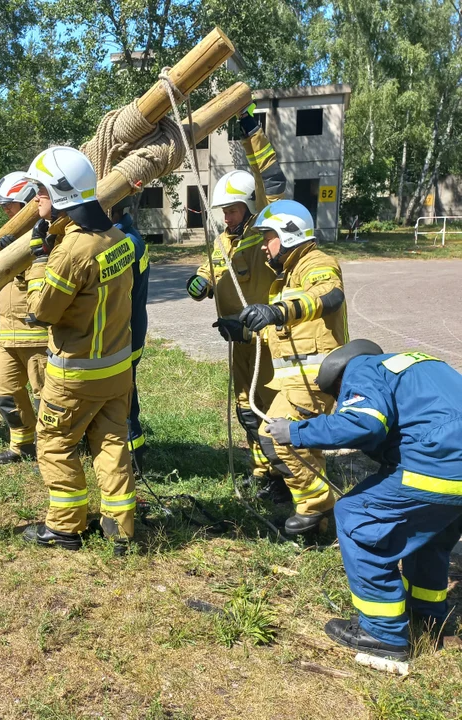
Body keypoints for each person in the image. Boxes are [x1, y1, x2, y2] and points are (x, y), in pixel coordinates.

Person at [266, 340, 462, 660]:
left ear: (339, 380)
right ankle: (427, 617)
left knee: (356, 517)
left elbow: (363, 425)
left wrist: (295, 432)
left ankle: (382, 635)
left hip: (438, 465)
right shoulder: (415, 365)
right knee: (429, 537)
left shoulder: (362, 370)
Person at [22, 146, 136, 556]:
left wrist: (39, 260)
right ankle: (120, 530)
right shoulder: (118, 238)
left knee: (54, 442)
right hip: (116, 370)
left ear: (62, 195)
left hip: (76, 374)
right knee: (110, 444)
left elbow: (41, 313)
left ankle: (66, 527)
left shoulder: (71, 251)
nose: (36, 199)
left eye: (41, 191)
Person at [185, 106, 289, 501]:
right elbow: (213, 268)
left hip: (265, 339)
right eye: (223, 212)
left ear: (250, 205)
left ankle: (284, 477)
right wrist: (200, 281)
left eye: (231, 210)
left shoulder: (264, 226)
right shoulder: (224, 240)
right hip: (237, 339)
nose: (226, 217)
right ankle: (262, 471)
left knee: (269, 406)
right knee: (246, 408)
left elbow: (270, 175)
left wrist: (251, 131)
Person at [240, 199, 348, 534]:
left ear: (288, 233)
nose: (262, 247)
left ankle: (318, 506)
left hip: (314, 377)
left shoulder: (316, 263)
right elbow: (283, 331)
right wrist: (242, 327)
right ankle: (319, 517)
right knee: (294, 441)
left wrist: (278, 311)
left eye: (267, 236)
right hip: (296, 381)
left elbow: (329, 294)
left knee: (279, 438)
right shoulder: (286, 279)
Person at [0, 172, 48, 464]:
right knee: (4, 393)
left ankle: (51, 450)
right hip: (7, 335)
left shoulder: (47, 236)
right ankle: (21, 444)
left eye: (9, 204)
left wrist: (18, 261)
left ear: (26, 201)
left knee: (45, 398)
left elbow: (41, 282)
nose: (5, 210)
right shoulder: (9, 237)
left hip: (36, 337)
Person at [110, 199, 149, 471]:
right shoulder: (127, 234)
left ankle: (133, 454)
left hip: (126, 333)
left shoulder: (125, 242)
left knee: (123, 397)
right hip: (129, 329)